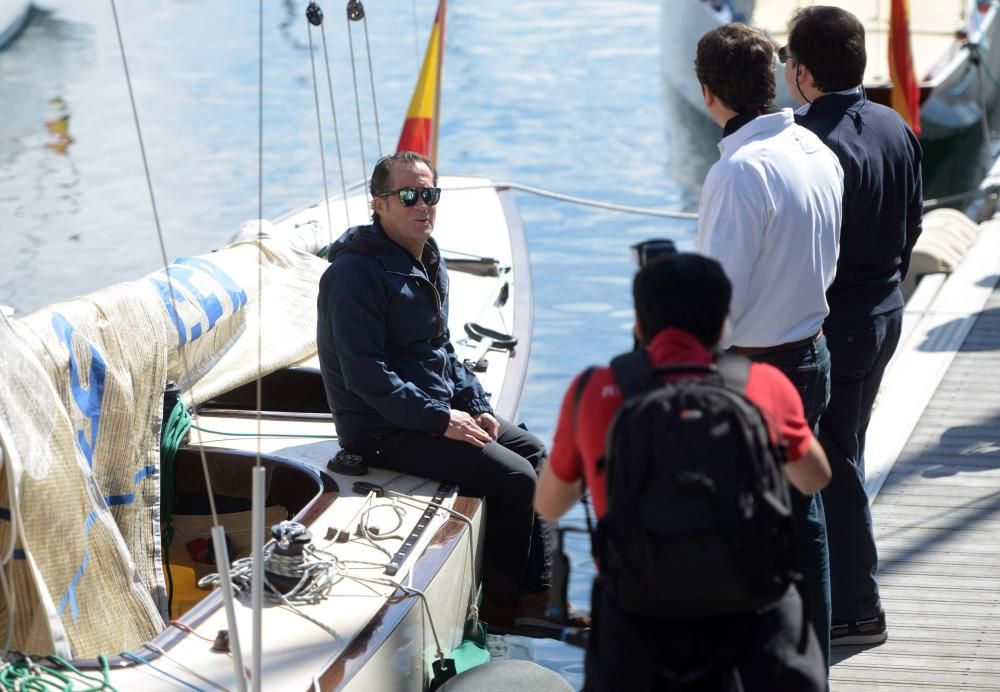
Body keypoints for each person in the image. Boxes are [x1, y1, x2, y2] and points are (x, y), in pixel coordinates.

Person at [536, 252, 831, 691]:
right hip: (751, 615)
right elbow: (815, 478)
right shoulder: (763, 385)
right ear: (723, 323)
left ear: (639, 322)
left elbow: (550, 505)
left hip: (639, 619)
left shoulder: (594, 389)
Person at [317, 151, 583, 633]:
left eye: (430, 194)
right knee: (514, 478)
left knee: (535, 452)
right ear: (379, 204)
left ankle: (536, 594)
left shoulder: (427, 257)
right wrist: (441, 420)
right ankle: (503, 610)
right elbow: (366, 375)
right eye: (409, 195)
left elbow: (442, 349)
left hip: (429, 408)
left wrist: (475, 408)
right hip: (378, 428)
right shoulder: (354, 274)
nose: (423, 205)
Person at [693, 23, 844, 667]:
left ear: (708, 93)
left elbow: (713, 304)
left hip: (754, 371)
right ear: (772, 78)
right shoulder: (815, 149)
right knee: (802, 518)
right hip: (811, 352)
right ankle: (810, 664)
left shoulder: (738, 173)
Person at [784, 6, 923, 648]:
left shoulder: (809, 142)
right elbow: (914, 225)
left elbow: (805, 250)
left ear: (803, 71)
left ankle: (855, 607)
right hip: (886, 311)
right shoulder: (895, 125)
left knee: (831, 465)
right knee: (845, 453)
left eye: (790, 62)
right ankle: (841, 599)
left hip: (835, 326)